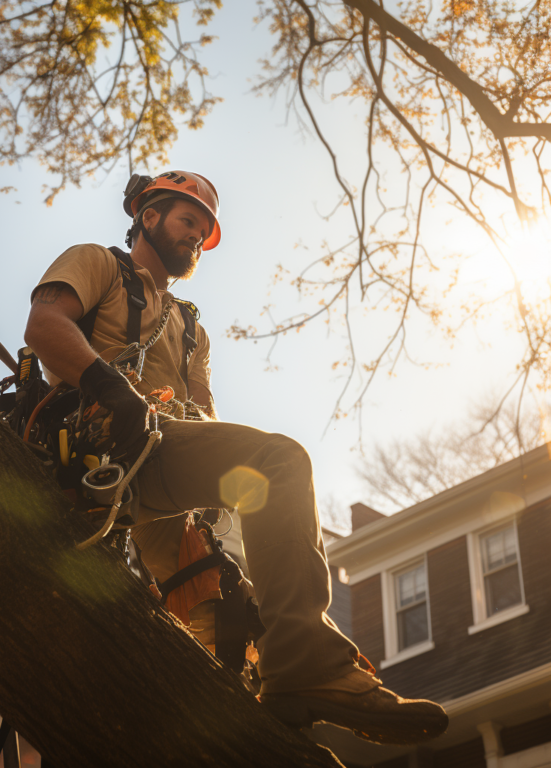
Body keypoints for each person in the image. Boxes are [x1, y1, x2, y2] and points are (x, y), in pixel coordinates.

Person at [24, 170, 448, 745]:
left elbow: (206, 425)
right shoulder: (98, 263)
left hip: (167, 469)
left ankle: (265, 719)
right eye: (188, 221)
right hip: (102, 453)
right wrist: (110, 388)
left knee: (231, 623)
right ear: (148, 216)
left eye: (204, 231)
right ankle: (307, 668)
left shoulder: (190, 328)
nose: (197, 237)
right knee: (280, 462)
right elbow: (44, 325)